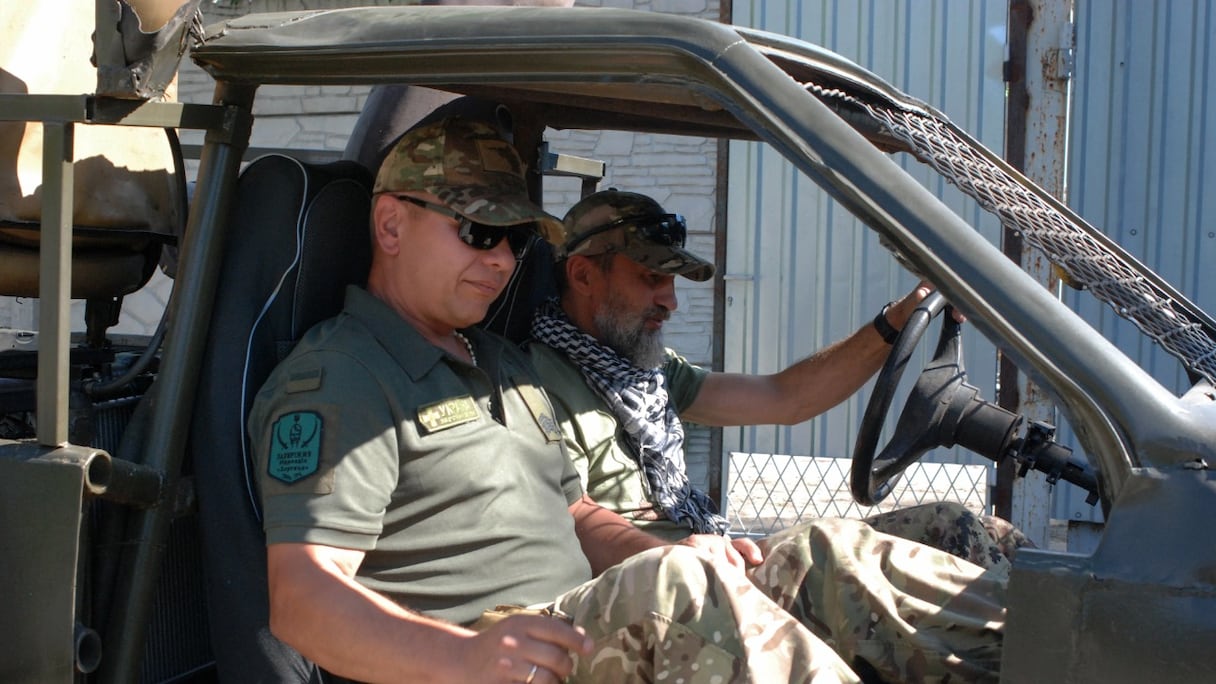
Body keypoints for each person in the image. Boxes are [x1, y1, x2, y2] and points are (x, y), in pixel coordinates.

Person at [249, 116, 1006, 684]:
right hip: (491, 653)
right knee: (677, 588)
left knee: (809, 556)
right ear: (390, 224)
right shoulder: (341, 377)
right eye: (479, 232)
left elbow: (577, 513)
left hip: (586, 618)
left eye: (514, 240)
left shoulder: (500, 363)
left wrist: (683, 551)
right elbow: (306, 598)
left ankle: (1054, 643)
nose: (504, 260)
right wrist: (463, 654)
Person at [527, 189, 1032, 571]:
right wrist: (681, 559)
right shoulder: (529, 382)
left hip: (710, 559)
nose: (671, 302)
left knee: (995, 534)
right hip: (664, 586)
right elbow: (571, 518)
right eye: (650, 279)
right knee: (952, 526)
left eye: (672, 282)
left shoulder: (645, 374)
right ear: (583, 276)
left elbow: (784, 397)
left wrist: (895, 323)